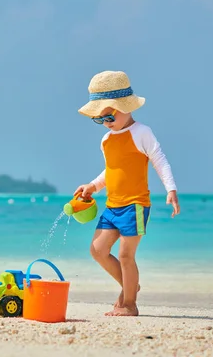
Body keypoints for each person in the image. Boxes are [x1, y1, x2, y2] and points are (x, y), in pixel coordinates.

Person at [74, 70, 180, 317]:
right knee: (97, 250)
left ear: (125, 107)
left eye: (109, 116)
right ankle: (131, 286)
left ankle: (130, 304)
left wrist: (171, 189)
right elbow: (111, 171)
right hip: (112, 206)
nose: (106, 122)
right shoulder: (107, 140)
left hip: (135, 206)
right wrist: (92, 186)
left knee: (125, 254)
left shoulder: (142, 133)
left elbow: (160, 160)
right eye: (100, 119)